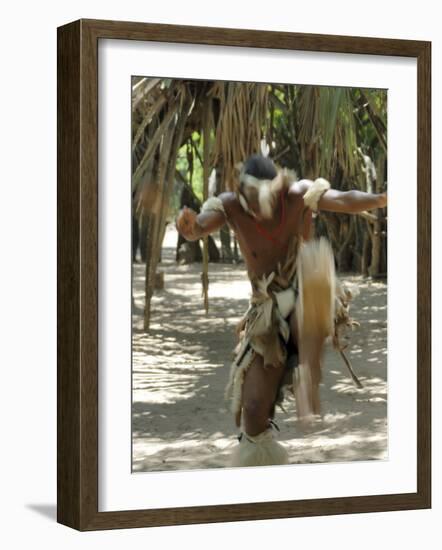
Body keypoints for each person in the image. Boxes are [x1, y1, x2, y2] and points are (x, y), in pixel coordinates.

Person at [176, 155, 387, 467]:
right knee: (253, 408)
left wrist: (381, 198)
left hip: (308, 294)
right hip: (267, 314)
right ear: (241, 192)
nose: (263, 206)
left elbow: (343, 199)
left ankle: (308, 377)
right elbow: (199, 228)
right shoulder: (229, 206)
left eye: (269, 197)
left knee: (315, 266)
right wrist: (190, 227)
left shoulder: (297, 195)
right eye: (255, 199)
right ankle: (261, 470)